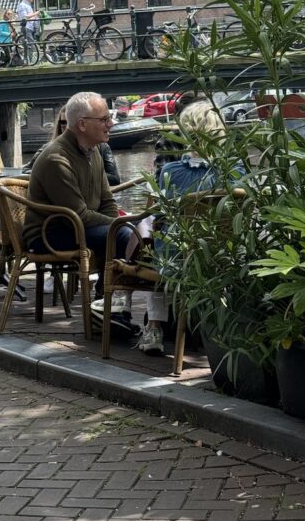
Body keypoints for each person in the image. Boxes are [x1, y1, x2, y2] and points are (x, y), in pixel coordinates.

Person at [23, 91, 135, 331]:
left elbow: (106, 201)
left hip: (76, 226)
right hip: (49, 234)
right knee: (124, 235)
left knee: (130, 233)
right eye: (104, 119)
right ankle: (109, 308)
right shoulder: (56, 159)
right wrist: (121, 226)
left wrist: (118, 222)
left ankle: (109, 309)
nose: (111, 124)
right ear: (82, 124)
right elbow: (79, 215)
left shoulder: (93, 151)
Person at [144, 101, 245, 356]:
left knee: (152, 250)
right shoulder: (235, 169)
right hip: (225, 256)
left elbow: (161, 216)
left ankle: (154, 327)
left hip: (178, 259)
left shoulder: (170, 170)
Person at [23, 105, 121, 186]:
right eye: (64, 123)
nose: (67, 127)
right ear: (59, 126)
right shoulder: (48, 149)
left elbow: (114, 179)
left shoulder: (102, 147)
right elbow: (26, 171)